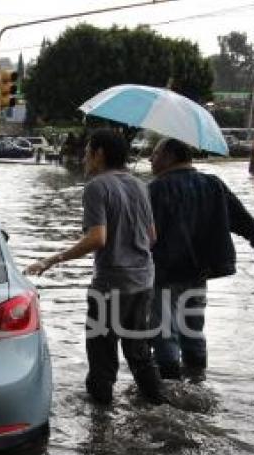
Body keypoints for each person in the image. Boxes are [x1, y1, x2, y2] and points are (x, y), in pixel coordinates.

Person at [25, 129, 164, 405]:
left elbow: (97, 238)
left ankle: (99, 425)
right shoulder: (139, 185)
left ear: (99, 154)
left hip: (111, 285)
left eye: (88, 151)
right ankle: (158, 402)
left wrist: (51, 260)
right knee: (139, 353)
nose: (85, 157)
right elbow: (151, 238)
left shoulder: (97, 187)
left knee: (102, 356)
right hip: (144, 280)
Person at [147, 137, 254, 382]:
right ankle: (197, 380)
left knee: (163, 331)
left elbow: (144, 235)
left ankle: (169, 389)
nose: (151, 158)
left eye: (155, 153)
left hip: (165, 272)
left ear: (170, 156)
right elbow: (244, 221)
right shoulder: (213, 185)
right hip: (200, 272)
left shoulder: (156, 189)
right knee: (192, 329)